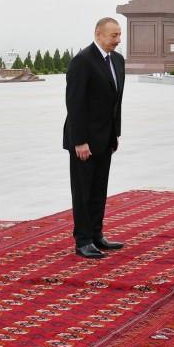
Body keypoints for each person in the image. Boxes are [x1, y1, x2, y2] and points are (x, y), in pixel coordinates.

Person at [63, 17, 126, 259]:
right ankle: (83, 240)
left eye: (119, 35)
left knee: (100, 188)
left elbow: (116, 102)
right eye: (113, 36)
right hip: (84, 141)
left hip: (105, 137)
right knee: (83, 191)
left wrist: (115, 133)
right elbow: (75, 104)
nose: (118, 40)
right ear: (99, 34)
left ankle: (97, 235)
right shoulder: (82, 61)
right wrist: (79, 140)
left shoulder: (117, 61)